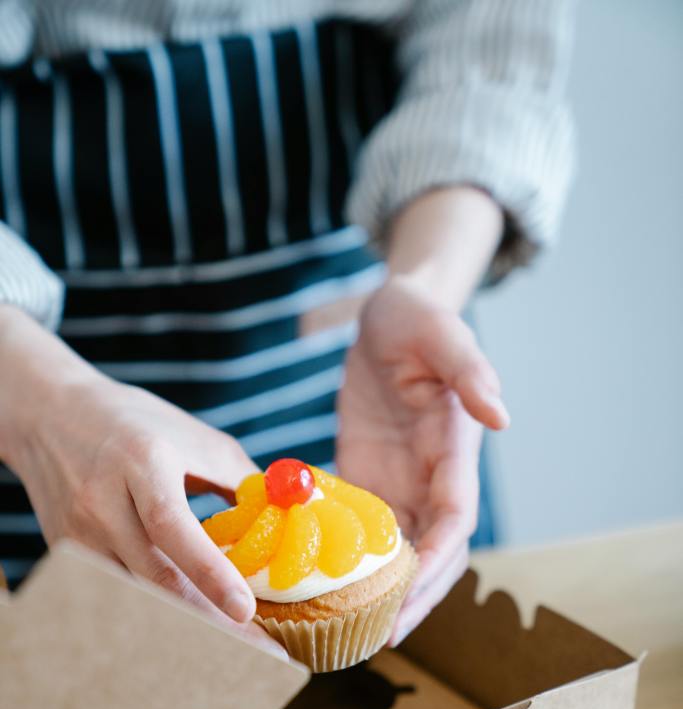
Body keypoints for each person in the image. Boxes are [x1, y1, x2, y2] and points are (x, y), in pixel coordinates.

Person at [0, 1, 575, 648]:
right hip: (38, 381)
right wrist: (39, 402)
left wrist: (426, 288)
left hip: (371, 345)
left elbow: (490, 51)